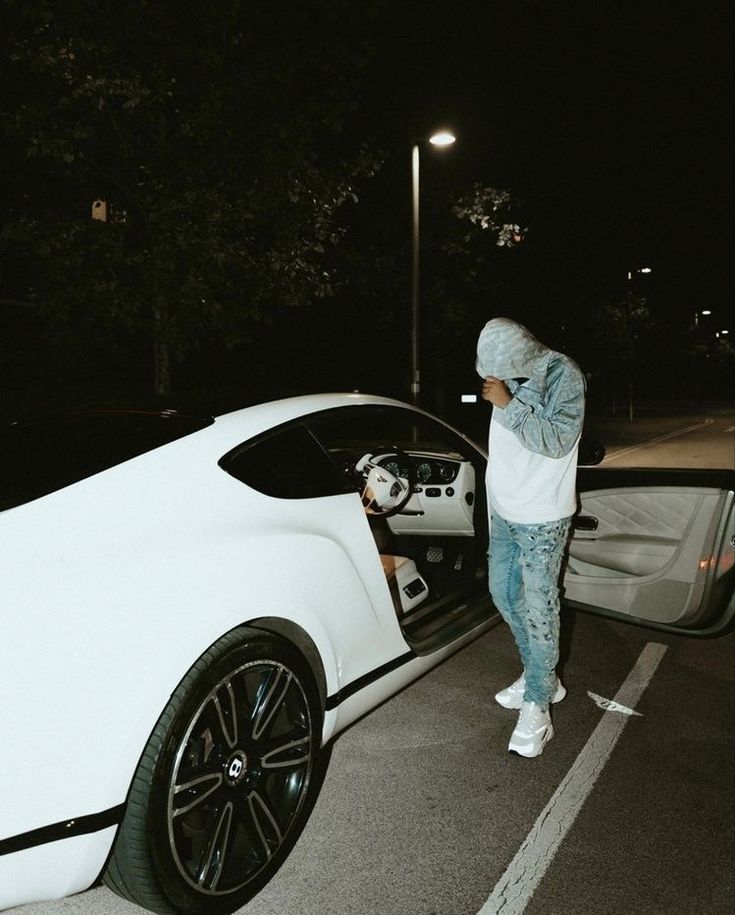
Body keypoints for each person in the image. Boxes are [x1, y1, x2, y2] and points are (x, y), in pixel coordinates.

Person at [476, 317, 585, 757]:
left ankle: (538, 705)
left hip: (542, 515)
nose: (492, 379)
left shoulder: (562, 373)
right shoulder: (504, 373)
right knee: (502, 594)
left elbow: (559, 441)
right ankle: (541, 675)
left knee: (541, 609)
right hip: (503, 509)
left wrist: (508, 403)